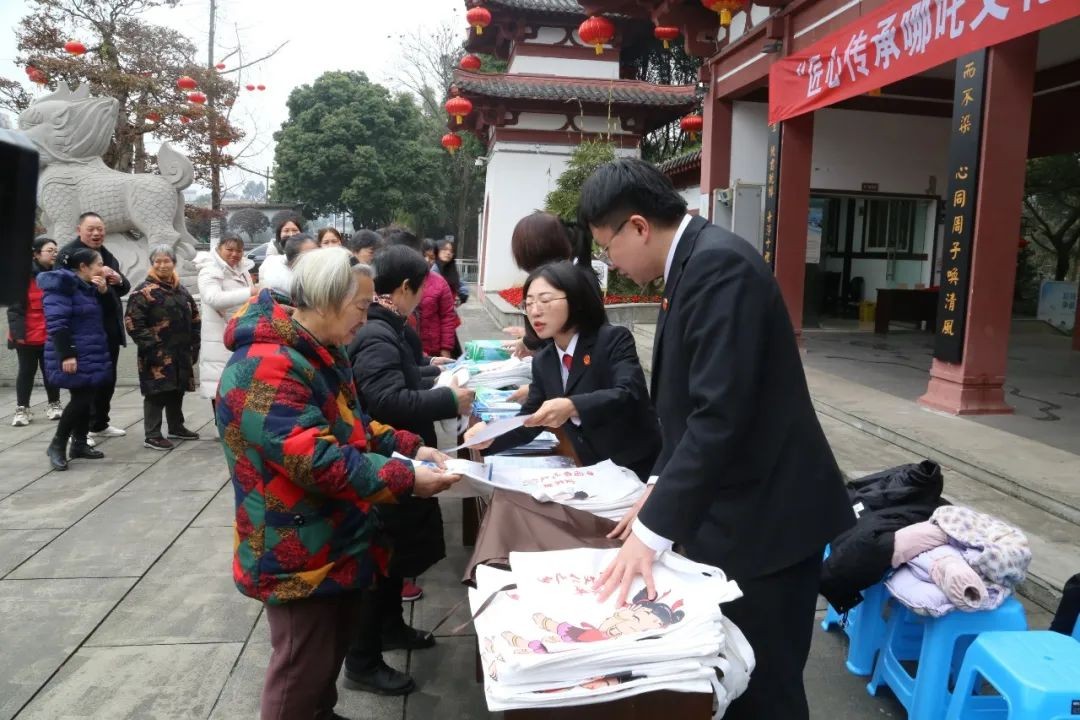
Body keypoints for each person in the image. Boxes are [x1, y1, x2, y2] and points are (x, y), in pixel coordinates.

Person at [584, 158, 853, 720]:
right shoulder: (692, 262)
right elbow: (686, 405)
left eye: (607, 247)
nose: (611, 263)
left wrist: (651, 532)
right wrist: (656, 485)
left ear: (638, 226)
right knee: (733, 679)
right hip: (741, 508)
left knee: (764, 683)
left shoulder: (718, 267)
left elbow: (720, 416)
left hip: (769, 519)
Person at [216, 247, 460, 720]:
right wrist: (406, 478)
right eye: (361, 306)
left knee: (327, 655)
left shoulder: (319, 349)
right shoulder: (266, 365)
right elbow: (317, 460)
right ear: (327, 300)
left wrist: (409, 447)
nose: (366, 319)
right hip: (294, 546)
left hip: (333, 534)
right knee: (300, 667)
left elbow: (351, 424)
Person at [344, 245, 475, 696]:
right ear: (405, 287)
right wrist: (446, 399)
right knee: (381, 563)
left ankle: (390, 629)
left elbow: (394, 378)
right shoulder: (376, 333)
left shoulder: (385, 327)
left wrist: (429, 372)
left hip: (397, 452)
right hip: (385, 461)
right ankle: (362, 660)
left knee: (394, 559)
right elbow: (384, 400)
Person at [465, 261, 660, 480]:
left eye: (545, 300)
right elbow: (529, 421)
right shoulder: (544, 361)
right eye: (528, 303)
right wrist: (490, 436)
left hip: (637, 469)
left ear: (575, 300)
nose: (535, 311)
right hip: (591, 470)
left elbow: (629, 393)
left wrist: (572, 406)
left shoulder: (613, 340)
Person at [56, 212, 131, 439]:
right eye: (91, 229)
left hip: (108, 328)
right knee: (86, 384)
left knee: (107, 379)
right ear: (79, 230)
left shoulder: (106, 255)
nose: (96, 233)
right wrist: (91, 281)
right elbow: (63, 290)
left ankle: (99, 423)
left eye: (100, 229)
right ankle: (79, 432)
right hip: (84, 331)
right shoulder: (68, 255)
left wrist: (118, 280)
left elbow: (123, 288)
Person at [38, 248, 113, 471]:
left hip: (89, 350)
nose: (102, 268)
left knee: (86, 396)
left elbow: (104, 314)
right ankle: (57, 444)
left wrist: (103, 291)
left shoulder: (86, 287)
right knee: (82, 398)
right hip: (74, 352)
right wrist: (67, 354)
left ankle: (79, 444)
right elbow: (57, 323)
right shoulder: (61, 287)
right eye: (98, 264)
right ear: (83, 267)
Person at [124, 245, 202, 451]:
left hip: (181, 351)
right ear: (152, 264)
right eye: (157, 261)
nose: (162, 265)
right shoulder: (143, 291)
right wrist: (151, 346)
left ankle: (176, 426)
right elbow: (133, 322)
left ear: (174, 263)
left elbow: (195, 317)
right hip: (157, 352)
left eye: (166, 260)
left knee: (177, 389)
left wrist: (195, 345)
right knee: (156, 392)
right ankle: (152, 435)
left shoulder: (180, 290)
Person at [194, 235, 256, 412]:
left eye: (239, 250)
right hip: (219, 337)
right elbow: (213, 298)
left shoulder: (242, 270)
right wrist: (250, 292)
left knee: (238, 388)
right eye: (229, 249)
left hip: (239, 335)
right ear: (219, 249)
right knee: (220, 387)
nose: (235, 254)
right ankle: (221, 424)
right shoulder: (209, 270)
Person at [8, 237, 63, 425]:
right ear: (36, 254)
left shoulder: (58, 275)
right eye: (50, 250)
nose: (54, 254)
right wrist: (18, 335)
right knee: (26, 372)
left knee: (50, 370)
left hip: (50, 333)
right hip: (28, 335)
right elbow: (15, 310)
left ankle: (54, 404)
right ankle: (22, 409)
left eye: (56, 250)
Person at [416, 239, 459, 359]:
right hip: (412, 346)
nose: (427, 261)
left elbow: (447, 316)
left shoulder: (441, 281)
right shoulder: (402, 280)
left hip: (434, 346)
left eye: (431, 258)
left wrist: (445, 348)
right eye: (424, 256)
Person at [259, 232, 317, 296]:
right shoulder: (294, 287)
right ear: (292, 262)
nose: (317, 259)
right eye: (310, 256)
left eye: (318, 252)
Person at [435, 239, 469, 306]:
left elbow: (462, 284)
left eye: (451, 251)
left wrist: (461, 298)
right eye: (445, 249)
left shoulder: (451, 267)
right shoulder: (434, 269)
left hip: (450, 308)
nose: (448, 253)